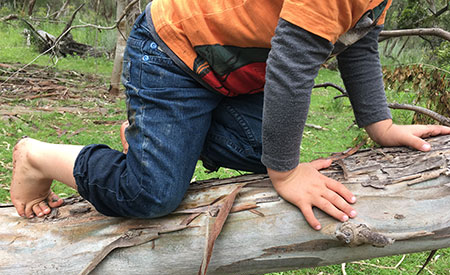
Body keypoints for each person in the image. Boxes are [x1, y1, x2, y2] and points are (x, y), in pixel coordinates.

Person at [10, 0, 450, 230]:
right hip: (174, 54)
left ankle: (159, 140)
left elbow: (360, 39)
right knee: (152, 193)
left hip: (231, 75)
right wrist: (285, 175)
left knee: (275, 147)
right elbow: (292, 66)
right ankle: (36, 156)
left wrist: (381, 124)